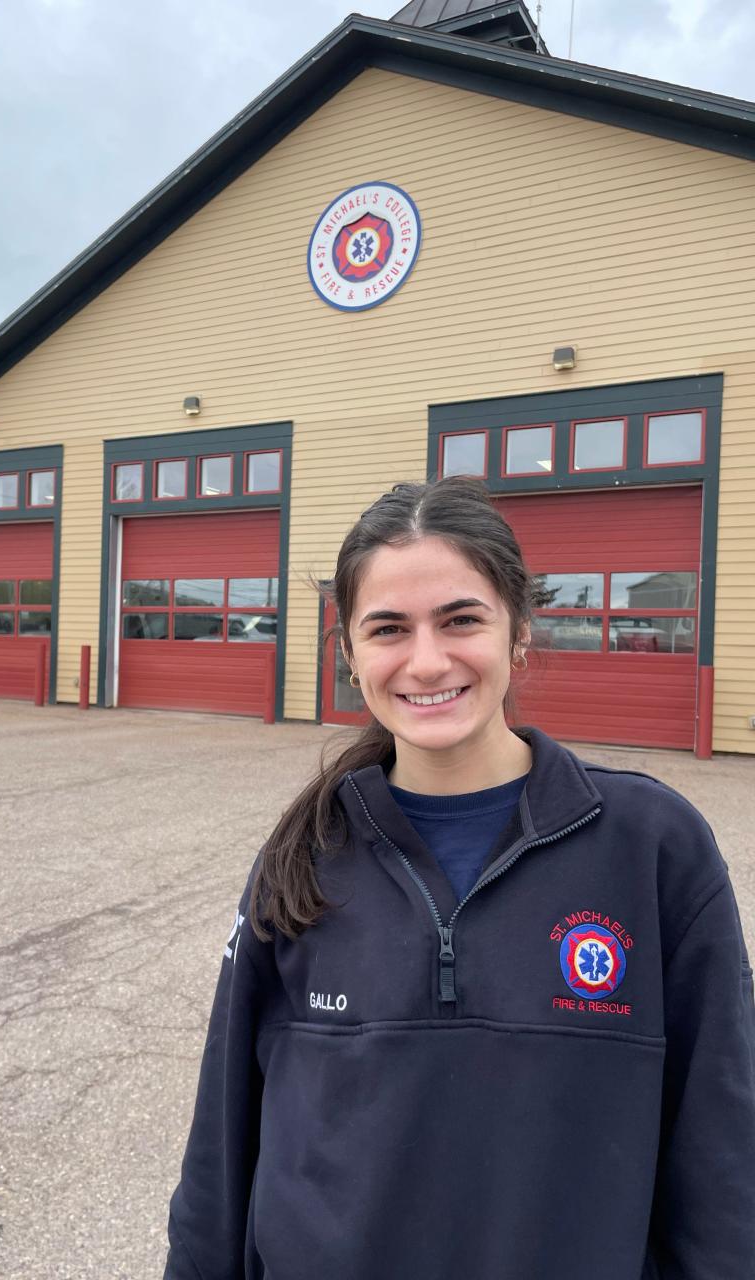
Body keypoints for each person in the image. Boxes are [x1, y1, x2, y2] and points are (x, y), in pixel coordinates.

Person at [163, 476, 755, 1279]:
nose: (427, 660)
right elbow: (223, 1145)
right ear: (349, 654)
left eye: (460, 619)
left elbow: (721, 1147)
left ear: (519, 632)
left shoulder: (652, 848)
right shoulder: (303, 856)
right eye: (388, 629)